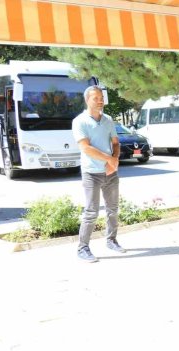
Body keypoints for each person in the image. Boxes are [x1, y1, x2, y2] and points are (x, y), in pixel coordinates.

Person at [72, 85, 123, 263]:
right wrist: (110, 160)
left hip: (110, 173)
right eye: (96, 98)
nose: (100, 101)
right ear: (87, 100)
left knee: (113, 210)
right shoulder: (79, 121)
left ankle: (111, 240)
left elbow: (116, 143)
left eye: (102, 97)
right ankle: (83, 248)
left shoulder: (108, 120)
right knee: (91, 212)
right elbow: (86, 148)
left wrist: (114, 160)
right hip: (91, 173)